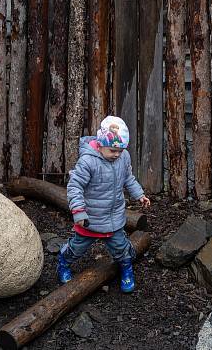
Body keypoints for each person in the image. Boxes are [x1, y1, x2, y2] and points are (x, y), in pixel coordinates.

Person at [57, 115, 151, 292]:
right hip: (90, 219)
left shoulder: (123, 158)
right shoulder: (88, 161)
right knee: (77, 248)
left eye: (120, 150)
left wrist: (139, 194)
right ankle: (63, 262)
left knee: (121, 248)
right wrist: (78, 211)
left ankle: (126, 269)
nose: (117, 154)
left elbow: (128, 178)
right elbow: (75, 186)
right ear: (100, 145)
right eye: (112, 150)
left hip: (114, 218)